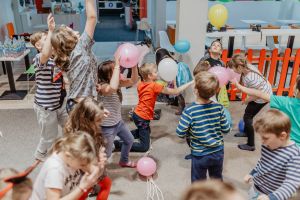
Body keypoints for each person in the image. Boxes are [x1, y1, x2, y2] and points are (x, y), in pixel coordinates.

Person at [176, 71, 230, 182]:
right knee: (217, 178)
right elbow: (226, 129)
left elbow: (180, 132)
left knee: (198, 182)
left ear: (195, 90)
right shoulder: (219, 107)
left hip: (199, 154)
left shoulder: (189, 110)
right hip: (218, 151)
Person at [129, 63, 193, 152]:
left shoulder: (141, 83)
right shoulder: (154, 86)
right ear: (150, 75)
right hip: (142, 117)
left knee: (145, 131)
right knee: (144, 147)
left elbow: (156, 85)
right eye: (155, 72)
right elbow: (176, 91)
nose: (158, 73)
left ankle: (123, 135)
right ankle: (117, 144)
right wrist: (191, 82)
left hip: (138, 114)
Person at [48, 0, 98, 112]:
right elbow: (92, 18)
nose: (76, 30)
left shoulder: (64, 56)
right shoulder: (80, 47)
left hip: (74, 103)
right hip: (84, 106)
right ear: (69, 38)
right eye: (72, 30)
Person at [30, 15, 68, 162]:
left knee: (69, 126)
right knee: (49, 135)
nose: (50, 41)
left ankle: (66, 149)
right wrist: (51, 30)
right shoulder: (39, 58)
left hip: (60, 102)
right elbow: (46, 53)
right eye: (46, 40)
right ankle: (40, 154)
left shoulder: (55, 58)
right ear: (38, 46)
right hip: (45, 107)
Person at [30, 132, 107, 200]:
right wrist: (82, 187)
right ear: (68, 155)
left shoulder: (73, 156)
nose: (84, 167)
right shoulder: (55, 170)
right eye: (82, 165)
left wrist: (99, 166)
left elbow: (93, 172)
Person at [244, 109, 300, 200]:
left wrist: (271, 197)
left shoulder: (294, 155)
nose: (262, 142)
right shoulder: (267, 145)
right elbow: (262, 162)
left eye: (265, 138)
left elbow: (292, 182)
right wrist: (252, 173)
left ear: (282, 136)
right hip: (256, 188)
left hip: (273, 195)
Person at [64, 97, 111, 199]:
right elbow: (85, 166)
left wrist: (101, 112)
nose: (101, 122)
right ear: (87, 121)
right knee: (83, 193)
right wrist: (99, 165)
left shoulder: (85, 125)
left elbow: (85, 104)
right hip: (83, 173)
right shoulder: (80, 139)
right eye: (99, 120)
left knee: (106, 184)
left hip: (91, 166)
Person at [233, 75, 300, 146]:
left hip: (289, 146)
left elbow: (260, 94)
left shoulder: (286, 103)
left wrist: (239, 86)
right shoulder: (286, 102)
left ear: (296, 89)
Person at [97, 57, 138, 167]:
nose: (119, 71)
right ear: (108, 75)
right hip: (107, 127)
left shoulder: (118, 83)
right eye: (115, 70)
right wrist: (117, 65)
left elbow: (134, 80)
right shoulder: (102, 87)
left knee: (129, 140)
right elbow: (112, 88)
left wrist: (134, 65)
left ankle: (124, 161)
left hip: (118, 123)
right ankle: (97, 172)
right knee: (107, 153)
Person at [227, 53, 272, 151]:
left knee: (248, 118)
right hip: (260, 92)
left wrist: (246, 100)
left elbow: (256, 95)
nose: (233, 71)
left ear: (239, 66)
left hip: (262, 97)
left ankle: (251, 144)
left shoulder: (251, 78)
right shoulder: (247, 67)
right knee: (247, 115)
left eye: (233, 68)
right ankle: (246, 133)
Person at [155, 48, 187, 115]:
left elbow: (174, 73)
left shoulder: (167, 60)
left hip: (176, 77)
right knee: (175, 92)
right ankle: (175, 102)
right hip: (172, 77)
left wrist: (175, 84)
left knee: (178, 93)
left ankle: (182, 109)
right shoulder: (167, 59)